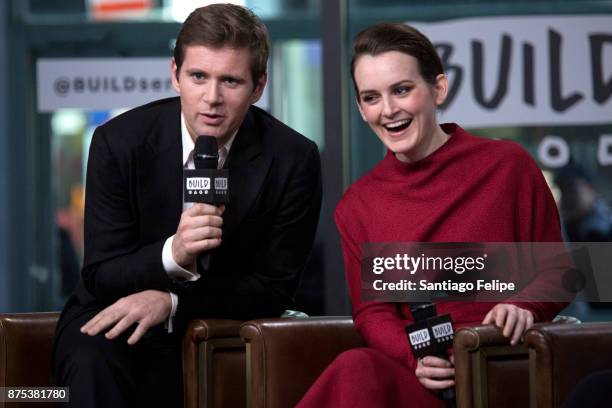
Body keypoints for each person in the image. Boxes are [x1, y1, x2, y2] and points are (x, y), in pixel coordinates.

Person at [52, 4, 322, 408]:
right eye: (199, 77)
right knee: (93, 359)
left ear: (259, 86)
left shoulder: (293, 158)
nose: (212, 98)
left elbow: (275, 287)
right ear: (175, 75)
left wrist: (173, 302)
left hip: (227, 324)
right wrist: (171, 255)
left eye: (230, 81)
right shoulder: (119, 142)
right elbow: (100, 273)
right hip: (118, 316)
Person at [297, 23, 566, 407]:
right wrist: (414, 357)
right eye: (371, 98)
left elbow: (559, 273)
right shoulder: (357, 205)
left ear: (438, 88)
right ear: (360, 108)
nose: (388, 110)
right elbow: (373, 314)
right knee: (356, 368)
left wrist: (524, 305)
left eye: (402, 90)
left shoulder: (508, 166)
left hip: (503, 369)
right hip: (425, 382)